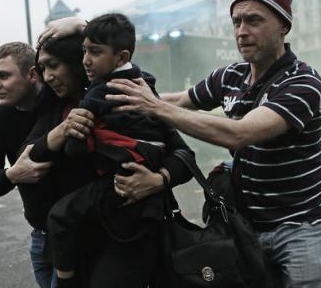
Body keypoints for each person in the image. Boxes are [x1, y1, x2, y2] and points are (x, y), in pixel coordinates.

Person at [104, 0, 321, 287]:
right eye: (236, 21)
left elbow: (238, 134)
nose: (242, 31)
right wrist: (129, 95)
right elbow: (182, 100)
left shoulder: (302, 82)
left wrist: (155, 107)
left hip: (300, 228)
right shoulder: (230, 76)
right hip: (246, 225)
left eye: (254, 20)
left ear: (283, 25)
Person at [26, 32, 196, 288]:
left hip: (127, 236)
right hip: (71, 245)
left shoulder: (127, 96)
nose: (48, 76)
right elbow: (29, 158)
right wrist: (63, 131)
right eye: (42, 68)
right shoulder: (51, 112)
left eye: (54, 65)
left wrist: (157, 180)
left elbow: (184, 157)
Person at [0, 42, 59, 288]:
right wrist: (13, 175)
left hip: (77, 235)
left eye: (3, 75)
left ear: (32, 74)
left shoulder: (61, 99)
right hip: (41, 237)